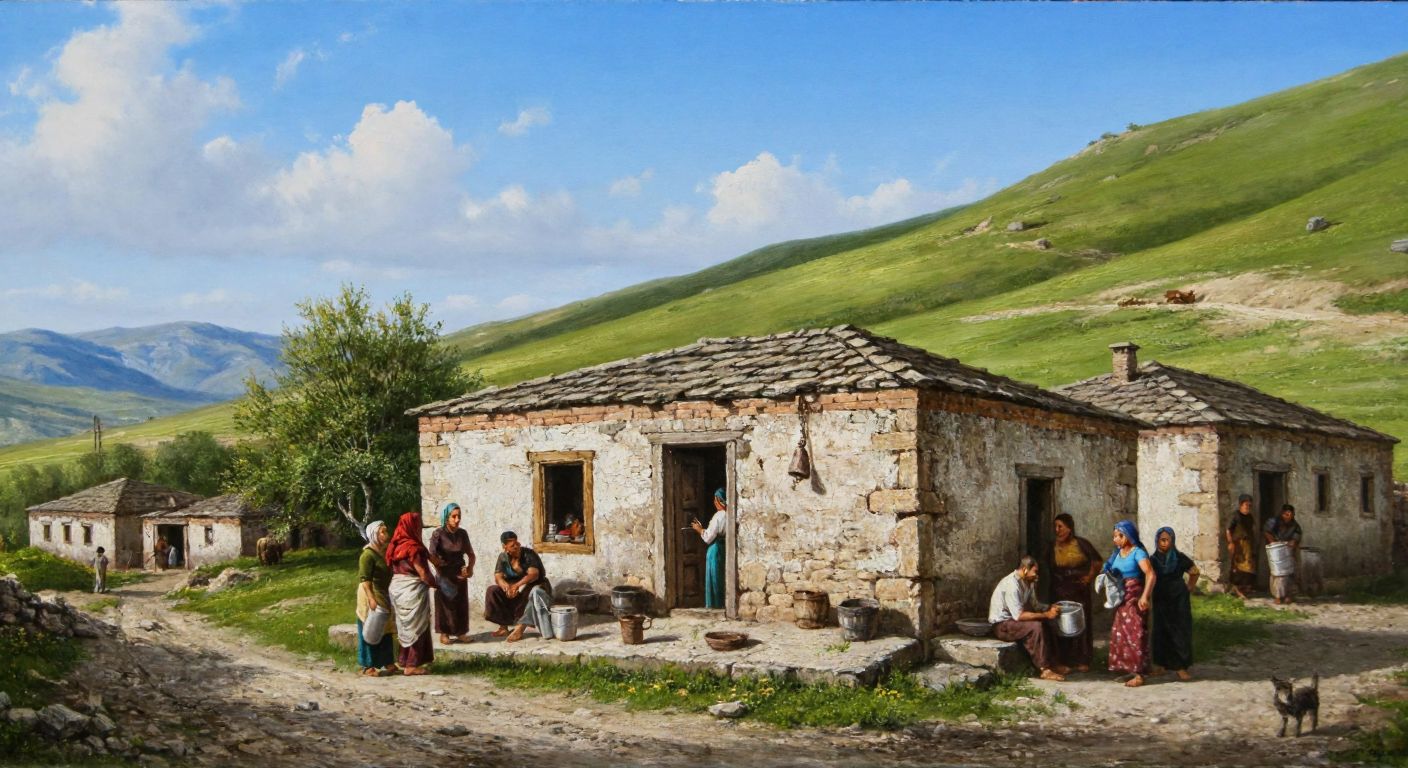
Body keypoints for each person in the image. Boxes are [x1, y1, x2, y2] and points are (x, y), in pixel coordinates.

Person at [988, 555, 1068, 682]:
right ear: (1025, 569)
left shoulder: (1029, 582)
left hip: (1013, 621)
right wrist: (1046, 614)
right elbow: (1019, 616)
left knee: (1049, 622)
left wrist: (1049, 607)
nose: (1037, 575)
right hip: (1002, 626)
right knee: (1036, 626)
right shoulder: (1011, 584)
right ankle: (1044, 669)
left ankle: (1053, 663)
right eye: (1035, 572)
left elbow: (1036, 605)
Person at [1046, 513, 1101, 672]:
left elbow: (1097, 562)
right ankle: (1063, 660)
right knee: (1061, 623)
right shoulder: (1051, 547)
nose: (1057, 530)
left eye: (1060, 526)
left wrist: (1089, 577)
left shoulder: (1081, 544)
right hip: (1059, 589)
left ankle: (1082, 659)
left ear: (1069, 528)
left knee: (1081, 623)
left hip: (1079, 589)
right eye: (1055, 527)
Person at [1105, 519, 1156, 687]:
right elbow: (1108, 569)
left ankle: (1139, 674)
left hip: (1134, 597)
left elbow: (1150, 574)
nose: (1115, 540)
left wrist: (1144, 597)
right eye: (1114, 536)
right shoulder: (1117, 554)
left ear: (1127, 536)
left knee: (1136, 632)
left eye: (1119, 536)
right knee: (1121, 633)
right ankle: (1128, 669)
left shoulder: (1137, 553)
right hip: (1121, 597)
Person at [386, 511, 436, 675]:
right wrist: (436, 585)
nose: (420, 527)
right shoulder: (414, 548)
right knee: (416, 626)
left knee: (405, 626)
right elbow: (422, 573)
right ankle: (412, 665)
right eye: (418, 524)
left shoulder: (395, 546)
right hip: (412, 590)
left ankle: (403, 660)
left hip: (397, 589)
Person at [483, 531, 554, 642]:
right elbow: (498, 577)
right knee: (492, 591)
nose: (517, 546)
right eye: (512, 545)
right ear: (504, 547)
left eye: (517, 543)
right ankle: (503, 627)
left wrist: (517, 586)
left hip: (535, 584)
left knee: (532, 593)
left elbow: (534, 574)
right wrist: (506, 587)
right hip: (515, 587)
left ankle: (520, 628)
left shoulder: (528, 554)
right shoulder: (503, 558)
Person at [1149, 527, 1199, 681]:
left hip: (1178, 598)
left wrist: (1189, 587)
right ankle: (1161, 665)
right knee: (1160, 630)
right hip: (1160, 598)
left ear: (1172, 541)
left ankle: (1180, 667)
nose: (1163, 543)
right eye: (1161, 539)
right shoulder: (1152, 559)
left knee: (1179, 630)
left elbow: (1194, 571)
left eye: (1167, 539)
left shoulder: (1178, 557)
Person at [429, 502, 475, 645]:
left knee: (460, 603)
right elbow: (431, 554)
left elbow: (471, 554)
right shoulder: (438, 534)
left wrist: (469, 568)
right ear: (446, 517)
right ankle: (444, 634)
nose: (457, 520)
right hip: (444, 574)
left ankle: (461, 633)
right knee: (446, 605)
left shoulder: (462, 534)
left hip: (459, 573)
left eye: (459, 516)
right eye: (453, 516)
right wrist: (439, 569)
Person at [356, 521, 398, 677]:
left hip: (383, 593)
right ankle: (368, 665)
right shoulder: (367, 555)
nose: (385, 535)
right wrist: (371, 598)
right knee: (370, 628)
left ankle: (388, 662)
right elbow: (365, 579)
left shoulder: (382, 552)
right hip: (370, 594)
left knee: (385, 629)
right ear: (373, 534)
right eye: (382, 532)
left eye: (386, 531)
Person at [689, 488, 728, 610]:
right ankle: (722, 603)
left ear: (719, 501)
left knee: (714, 577)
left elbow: (708, 537)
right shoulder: (730, 515)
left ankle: (714, 605)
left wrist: (699, 529)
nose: (714, 503)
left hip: (715, 549)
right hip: (724, 548)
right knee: (721, 577)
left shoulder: (719, 516)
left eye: (715, 500)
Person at [1263, 503, 1303, 605]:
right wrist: (1273, 542)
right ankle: (1278, 596)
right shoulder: (1274, 521)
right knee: (1277, 574)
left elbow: (1297, 536)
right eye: (1286, 514)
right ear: (1282, 514)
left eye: (1291, 515)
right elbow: (1267, 532)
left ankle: (1288, 595)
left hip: (1288, 551)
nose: (1288, 517)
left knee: (1289, 573)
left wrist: (1293, 542)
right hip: (1276, 551)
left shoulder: (1295, 525)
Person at [1226, 493, 1258, 599]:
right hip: (1238, 544)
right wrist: (1230, 543)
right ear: (1240, 505)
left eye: (1249, 505)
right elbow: (1228, 530)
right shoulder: (1235, 515)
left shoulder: (1249, 517)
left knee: (1248, 567)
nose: (1248, 507)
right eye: (1246, 505)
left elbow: (1251, 531)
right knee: (1237, 567)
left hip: (1247, 545)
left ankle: (1242, 589)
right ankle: (1236, 589)